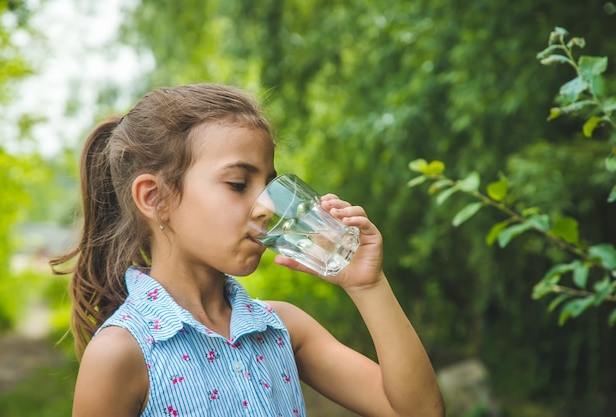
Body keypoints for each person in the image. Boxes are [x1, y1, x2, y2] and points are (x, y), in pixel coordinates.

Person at [52, 83, 445, 417]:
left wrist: (368, 285)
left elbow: (421, 411)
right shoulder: (122, 353)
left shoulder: (282, 328)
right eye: (239, 183)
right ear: (156, 198)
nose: (267, 207)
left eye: (270, 185)